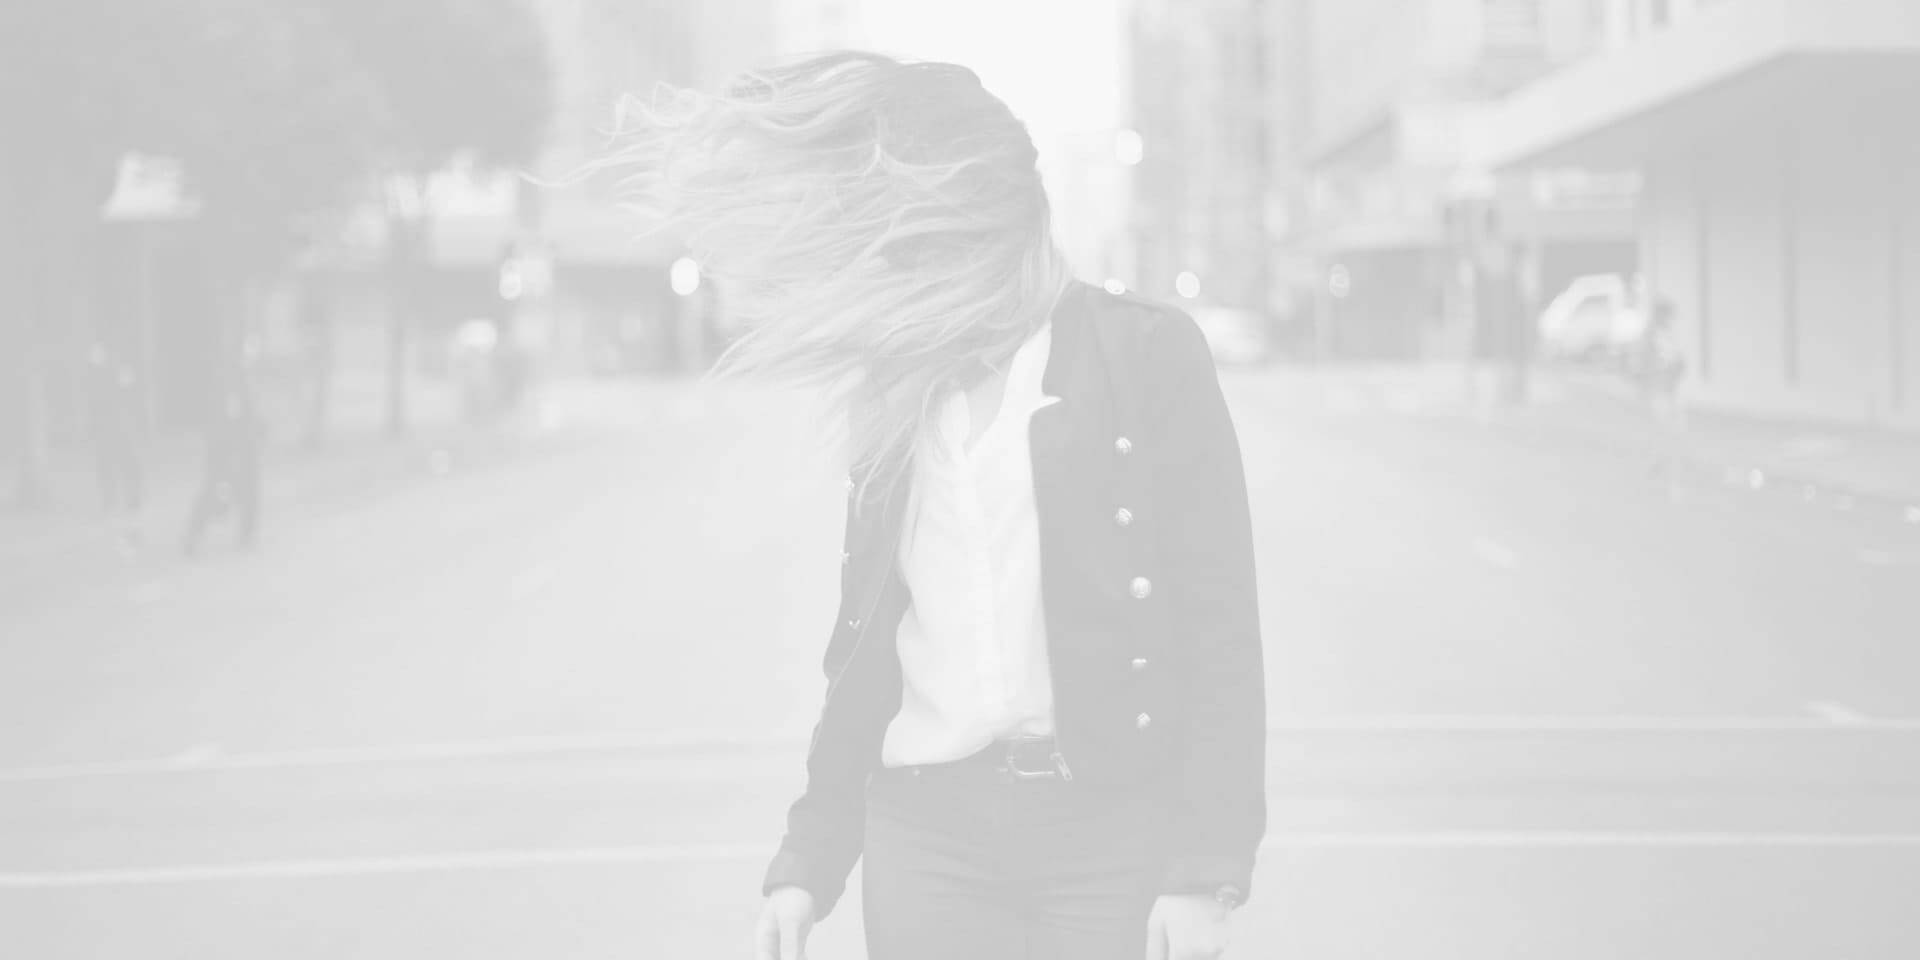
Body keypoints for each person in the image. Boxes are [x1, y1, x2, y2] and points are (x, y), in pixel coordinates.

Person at [606, 52, 1267, 960]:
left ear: (978, 215)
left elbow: (1220, 624)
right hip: (929, 835)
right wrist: (809, 859)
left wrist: (1203, 872)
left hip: (1107, 831)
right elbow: (867, 648)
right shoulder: (897, 387)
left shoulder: (1145, 354)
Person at [181, 372, 263, 556]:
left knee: (243, 491)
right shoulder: (232, 381)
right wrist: (234, 449)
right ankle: (194, 535)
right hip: (229, 451)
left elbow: (241, 414)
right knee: (218, 491)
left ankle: (246, 533)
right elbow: (231, 417)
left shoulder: (239, 379)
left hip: (235, 449)